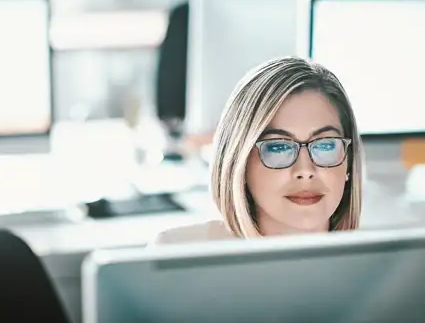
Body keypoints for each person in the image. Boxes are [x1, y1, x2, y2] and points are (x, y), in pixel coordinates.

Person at [154, 56, 363, 244]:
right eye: (279, 147)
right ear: (240, 164)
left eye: (325, 145)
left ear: (349, 164)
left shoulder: (385, 270)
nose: (305, 170)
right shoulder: (175, 254)